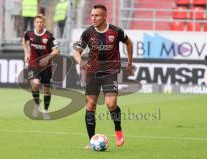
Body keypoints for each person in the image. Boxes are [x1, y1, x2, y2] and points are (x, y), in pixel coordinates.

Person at [73, 4, 133, 148]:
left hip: (110, 71)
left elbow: (129, 43)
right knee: (90, 105)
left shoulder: (116, 31)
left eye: (97, 15)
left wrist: (130, 63)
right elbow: (76, 52)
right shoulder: (87, 33)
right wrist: (81, 63)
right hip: (93, 72)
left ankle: (118, 132)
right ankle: (91, 140)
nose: (93, 18)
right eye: (92, 15)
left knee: (111, 104)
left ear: (105, 16)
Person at [22, 14, 59, 119]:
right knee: (35, 83)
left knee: (47, 89)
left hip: (46, 66)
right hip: (33, 64)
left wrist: (47, 58)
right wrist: (26, 53)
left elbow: (56, 50)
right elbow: (24, 41)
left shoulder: (49, 36)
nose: (39, 24)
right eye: (37, 22)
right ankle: (37, 105)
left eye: (41, 22)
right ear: (34, 23)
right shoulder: (29, 33)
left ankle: (46, 110)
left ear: (44, 23)